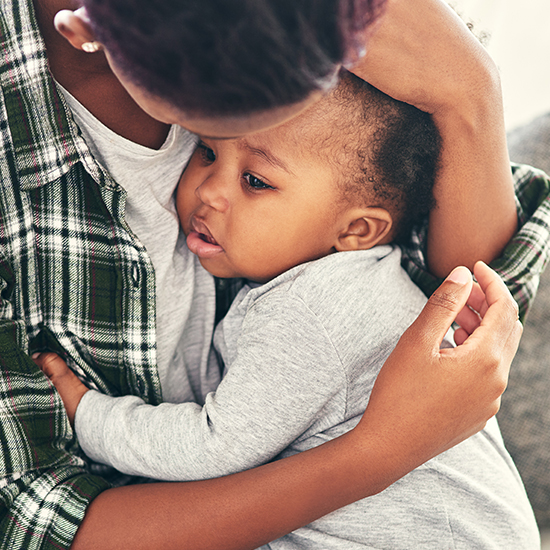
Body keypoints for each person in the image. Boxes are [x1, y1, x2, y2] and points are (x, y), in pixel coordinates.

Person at [0, 0, 545, 548]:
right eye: (207, 153)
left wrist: (469, 90)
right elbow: (37, 521)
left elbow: (482, 302)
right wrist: (378, 452)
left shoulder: (311, 309)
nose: (210, 190)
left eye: (256, 182)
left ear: (357, 230)